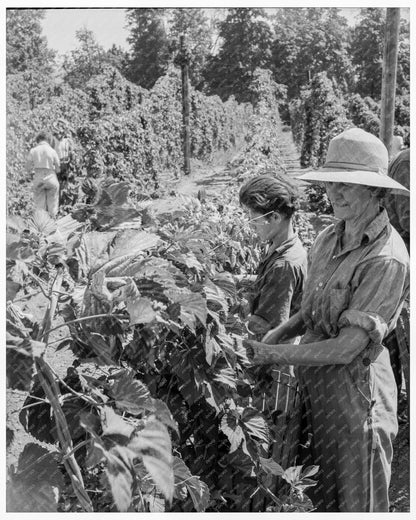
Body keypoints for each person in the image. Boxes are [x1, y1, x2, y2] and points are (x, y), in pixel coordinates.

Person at [244, 128, 409, 512]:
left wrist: (273, 356)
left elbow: (348, 347)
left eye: (346, 185)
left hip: (357, 396)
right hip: (318, 392)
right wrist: (273, 337)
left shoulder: (386, 257)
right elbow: (309, 312)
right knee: (322, 496)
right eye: (330, 182)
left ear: (376, 192)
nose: (333, 192)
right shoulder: (326, 239)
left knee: (359, 499)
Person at [383, 147, 410, 410]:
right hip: (401, 264)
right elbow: (408, 218)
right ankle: (393, 406)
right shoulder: (408, 163)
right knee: (397, 336)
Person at [26, 131, 60, 217]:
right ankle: (53, 223)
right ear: (48, 139)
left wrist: (32, 173)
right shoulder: (52, 151)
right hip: (51, 177)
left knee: (39, 206)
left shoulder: (33, 151)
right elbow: (58, 168)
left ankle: (41, 227)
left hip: (38, 177)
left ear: (38, 140)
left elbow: (28, 168)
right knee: (53, 204)